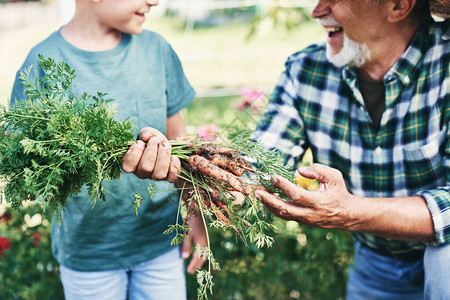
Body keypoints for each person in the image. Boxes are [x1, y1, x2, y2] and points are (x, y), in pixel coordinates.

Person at [10, 0, 207, 299]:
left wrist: (195, 214)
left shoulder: (157, 50)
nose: (155, 1)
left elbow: (182, 146)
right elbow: (29, 164)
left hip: (160, 241)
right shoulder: (42, 60)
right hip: (89, 253)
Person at [253, 0, 449, 299]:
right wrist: (194, 167)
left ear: (398, 6)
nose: (316, 11)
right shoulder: (306, 69)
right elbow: (261, 160)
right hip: (376, 265)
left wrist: (353, 212)